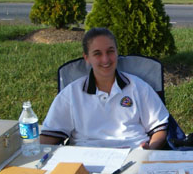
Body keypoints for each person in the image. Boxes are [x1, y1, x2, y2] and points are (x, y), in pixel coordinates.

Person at [40, 27, 169, 149]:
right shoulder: (71, 93)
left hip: (133, 153)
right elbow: (50, 135)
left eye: (110, 51)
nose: (105, 59)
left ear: (117, 52)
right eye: (97, 54)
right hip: (87, 157)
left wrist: (151, 148)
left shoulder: (138, 86)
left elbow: (159, 127)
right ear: (87, 58)